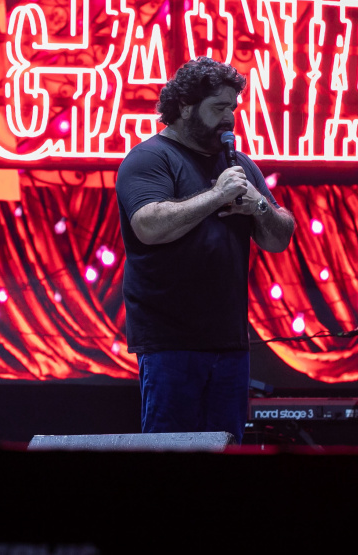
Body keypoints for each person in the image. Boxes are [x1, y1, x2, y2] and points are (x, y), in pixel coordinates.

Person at [114, 57, 296, 443]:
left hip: (229, 342)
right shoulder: (150, 158)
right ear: (184, 106)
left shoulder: (239, 164)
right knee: (171, 450)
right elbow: (148, 226)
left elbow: (279, 239)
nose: (229, 118)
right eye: (219, 108)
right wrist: (216, 196)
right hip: (170, 342)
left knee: (226, 448)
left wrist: (257, 206)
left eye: (233, 108)